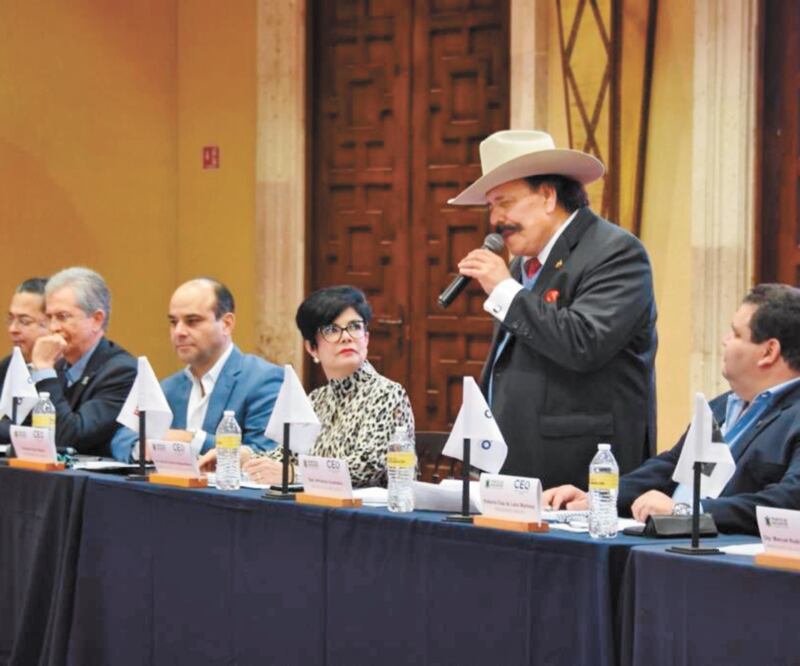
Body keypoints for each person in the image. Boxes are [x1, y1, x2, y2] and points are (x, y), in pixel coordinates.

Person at [450, 129, 657, 489]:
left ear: (547, 196)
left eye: (505, 202)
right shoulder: (521, 266)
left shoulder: (616, 252)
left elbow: (584, 343)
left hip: (579, 469)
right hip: (516, 462)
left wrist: (505, 291)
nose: (496, 219)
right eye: (490, 207)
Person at [544, 284, 800, 535]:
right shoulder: (722, 405)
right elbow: (671, 465)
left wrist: (688, 511)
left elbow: (788, 500)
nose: (724, 341)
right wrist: (599, 498)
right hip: (668, 544)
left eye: (735, 334)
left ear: (769, 351)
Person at [201, 285, 414, 488]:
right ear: (312, 348)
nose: (346, 337)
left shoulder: (388, 394)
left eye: (355, 327)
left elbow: (366, 467)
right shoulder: (316, 399)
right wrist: (241, 456)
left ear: (366, 338)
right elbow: (285, 456)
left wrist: (295, 474)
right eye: (331, 329)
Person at [110, 278, 284, 461]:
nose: (179, 332)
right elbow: (122, 438)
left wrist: (192, 439)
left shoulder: (263, 379)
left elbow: (265, 453)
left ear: (226, 324)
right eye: (173, 322)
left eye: (192, 321)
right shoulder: (169, 387)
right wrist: (145, 448)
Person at [28, 267, 137, 456]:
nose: (53, 327)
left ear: (96, 320)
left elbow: (70, 437)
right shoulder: (59, 367)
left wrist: (44, 370)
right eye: (49, 318)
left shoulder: (122, 371)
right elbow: (20, 427)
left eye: (63, 317)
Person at [0, 277, 49, 443]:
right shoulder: (8, 366)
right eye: (11, 319)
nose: (13, 329)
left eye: (24, 321)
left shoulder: (66, 371)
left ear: (52, 324)